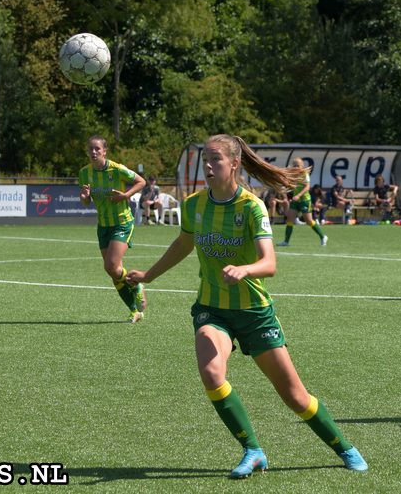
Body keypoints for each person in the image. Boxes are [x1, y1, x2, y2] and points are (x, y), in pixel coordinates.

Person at [126, 134, 368, 478]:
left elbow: (269, 264)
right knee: (212, 373)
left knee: (295, 396)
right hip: (212, 309)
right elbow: (183, 244)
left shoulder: (251, 207)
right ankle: (253, 450)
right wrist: (149, 275)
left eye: (215, 160)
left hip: (255, 314)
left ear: (234, 164)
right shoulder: (195, 205)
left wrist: (245, 269)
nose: (208, 167)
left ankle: (344, 447)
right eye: (204, 161)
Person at [79, 135, 148, 323]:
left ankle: (137, 286)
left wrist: (125, 195)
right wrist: (85, 197)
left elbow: (141, 181)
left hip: (121, 222)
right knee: (113, 270)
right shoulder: (84, 173)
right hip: (103, 225)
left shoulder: (116, 169)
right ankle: (134, 310)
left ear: (104, 151)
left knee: (110, 265)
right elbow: (86, 203)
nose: (93, 152)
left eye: (97, 149)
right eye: (90, 149)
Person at [277, 158, 328, 247]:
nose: (296, 167)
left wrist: (298, 195)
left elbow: (307, 187)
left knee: (309, 221)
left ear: (302, 166)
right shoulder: (293, 174)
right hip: (296, 201)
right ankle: (286, 241)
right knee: (290, 220)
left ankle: (323, 237)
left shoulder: (305, 174)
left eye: (298, 165)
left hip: (304, 201)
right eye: (294, 165)